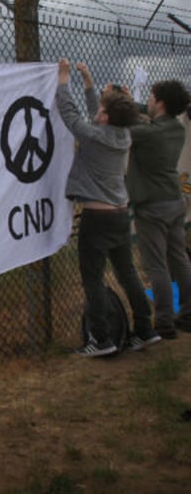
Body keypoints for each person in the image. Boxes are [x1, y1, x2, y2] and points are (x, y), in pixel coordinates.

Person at [56, 58, 161, 357]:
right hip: (119, 214)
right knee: (128, 273)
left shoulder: (96, 135)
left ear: (107, 118)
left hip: (97, 218)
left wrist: (64, 80)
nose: (98, 112)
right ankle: (145, 330)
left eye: (103, 110)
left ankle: (101, 339)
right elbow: (95, 112)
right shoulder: (121, 134)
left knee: (92, 278)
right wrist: (88, 81)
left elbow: (70, 114)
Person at [127, 80, 191, 339]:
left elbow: (124, 126)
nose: (149, 101)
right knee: (179, 259)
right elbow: (145, 115)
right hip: (175, 202)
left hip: (151, 206)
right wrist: (133, 102)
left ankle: (163, 321)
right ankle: (187, 313)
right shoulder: (176, 128)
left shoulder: (147, 132)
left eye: (151, 97)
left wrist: (116, 102)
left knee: (157, 266)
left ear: (161, 102)